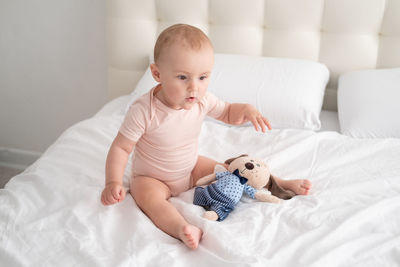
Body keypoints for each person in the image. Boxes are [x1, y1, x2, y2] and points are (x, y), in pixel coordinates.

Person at [101, 24, 312, 249]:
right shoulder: (144, 111)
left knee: (233, 170)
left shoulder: (202, 100)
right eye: (183, 77)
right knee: (150, 200)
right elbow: (121, 148)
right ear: (157, 74)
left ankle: (280, 184)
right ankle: (181, 227)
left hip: (191, 167)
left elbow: (228, 111)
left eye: (202, 77)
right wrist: (113, 182)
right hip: (152, 177)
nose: (194, 87)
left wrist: (247, 110)